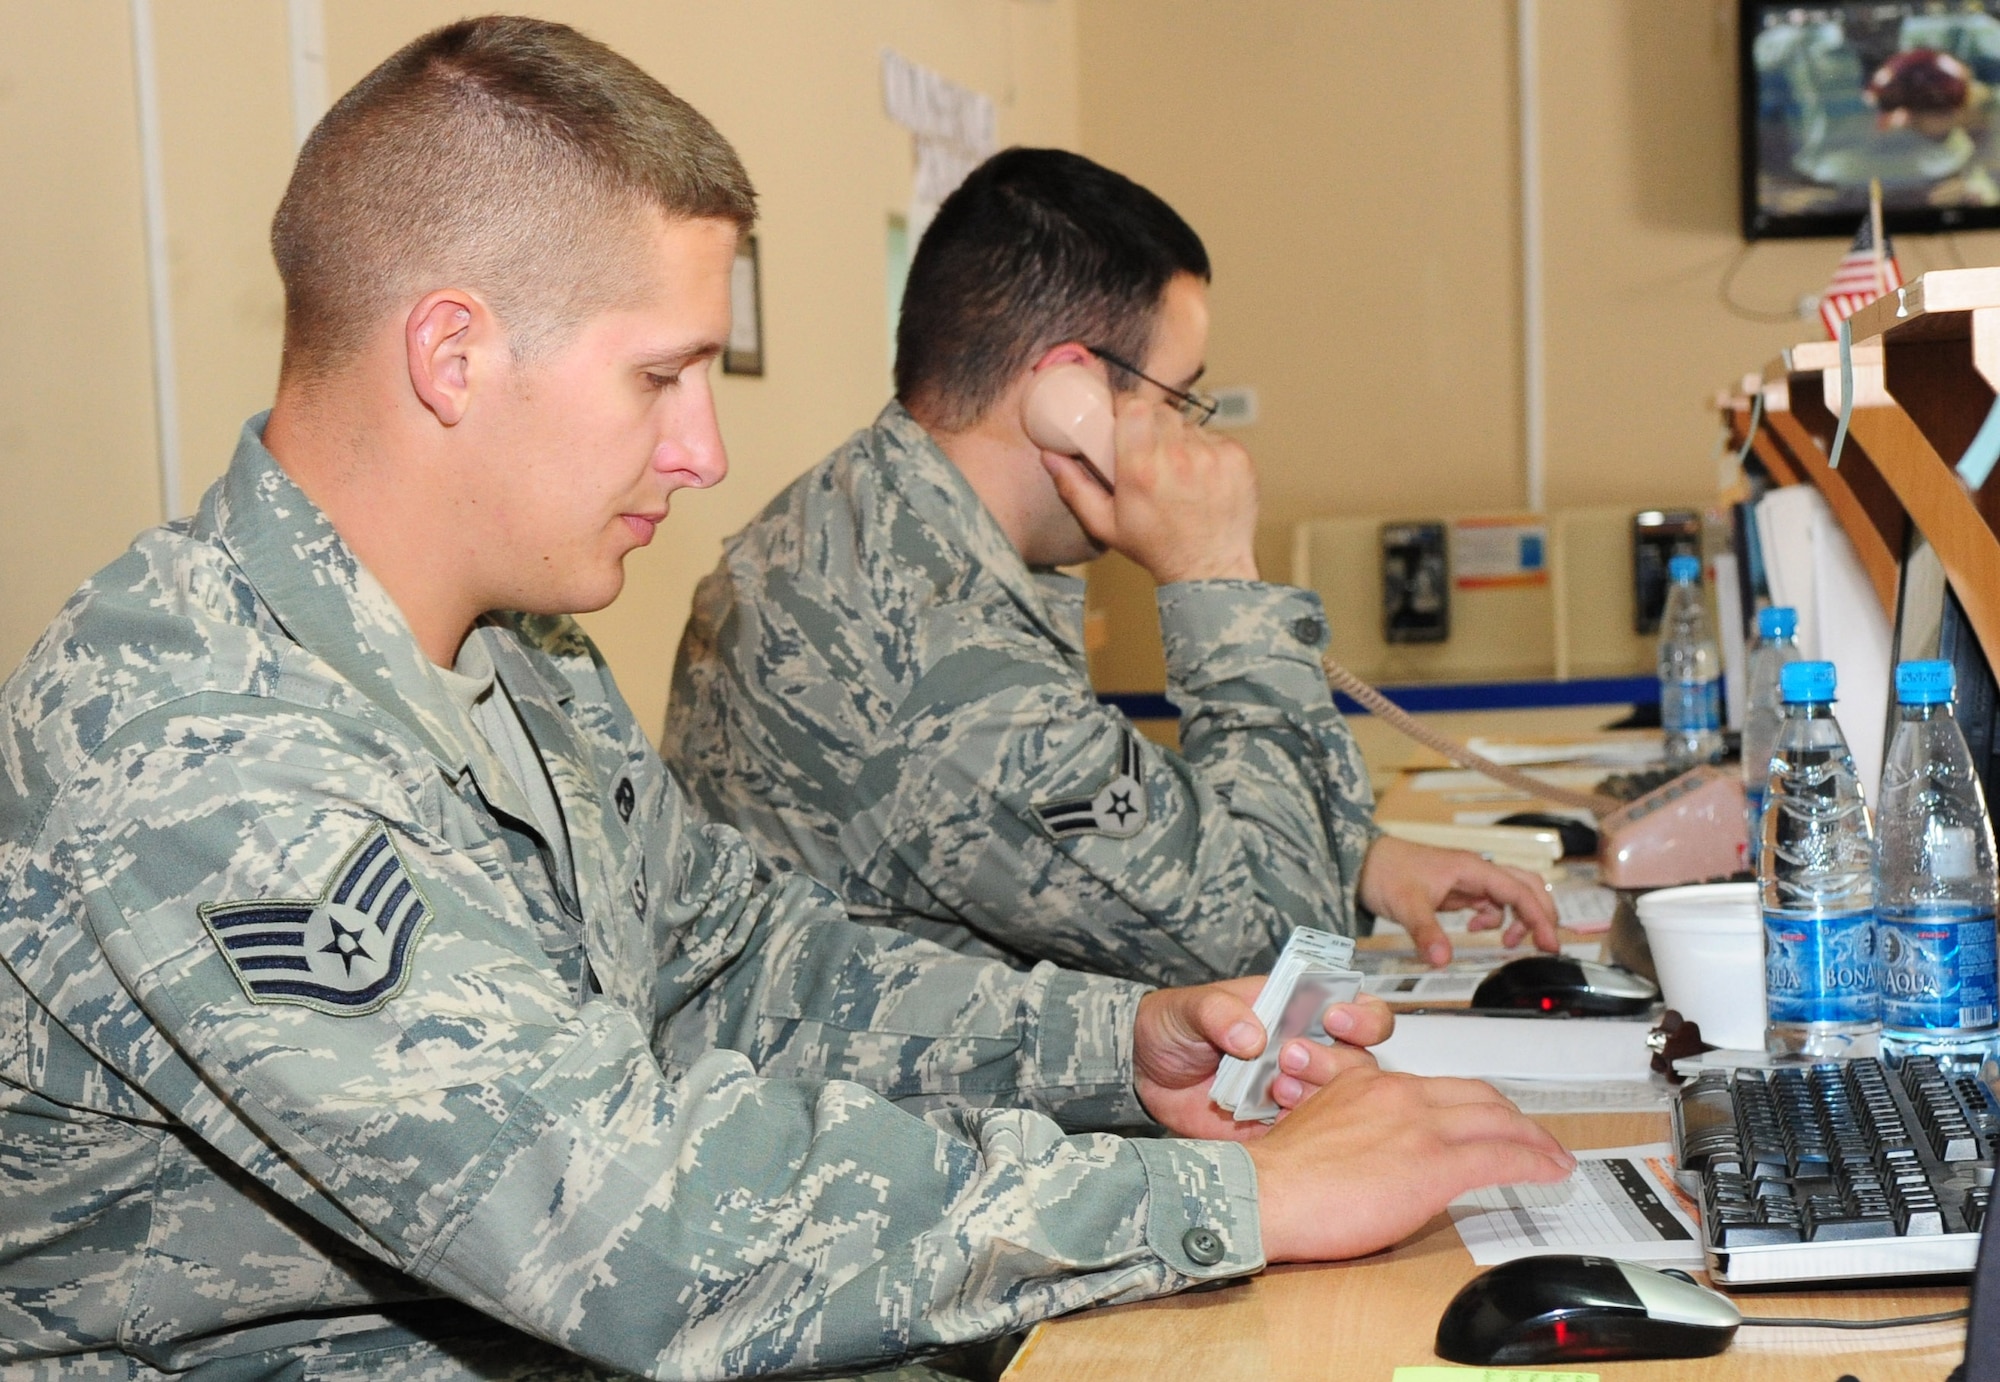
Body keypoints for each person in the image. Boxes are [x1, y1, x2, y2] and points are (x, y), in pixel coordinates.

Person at [0, 18, 1574, 1382]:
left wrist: (1120, 1046)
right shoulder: (193, 737)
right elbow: (621, 1217)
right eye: (659, 377)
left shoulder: (513, 654)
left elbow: (749, 965)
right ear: (453, 355)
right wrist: (1239, 1202)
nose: (703, 453)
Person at [663, 148, 1559, 987]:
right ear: (1069, 395)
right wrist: (1216, 577)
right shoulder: (933, 646)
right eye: (1180, 397)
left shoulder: (870, 519)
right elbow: (1281, 953)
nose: (1191, 434)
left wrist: (1358, 857)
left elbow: (1098, 824)